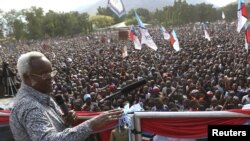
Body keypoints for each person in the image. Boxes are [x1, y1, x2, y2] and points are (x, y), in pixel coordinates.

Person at [10, 51, 123, 141]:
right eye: (45, 75)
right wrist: (91, 124)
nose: (51, 78)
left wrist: (65, 121)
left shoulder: (41, 94)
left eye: (51, 72)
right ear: (27, 77)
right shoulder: (30, 107)